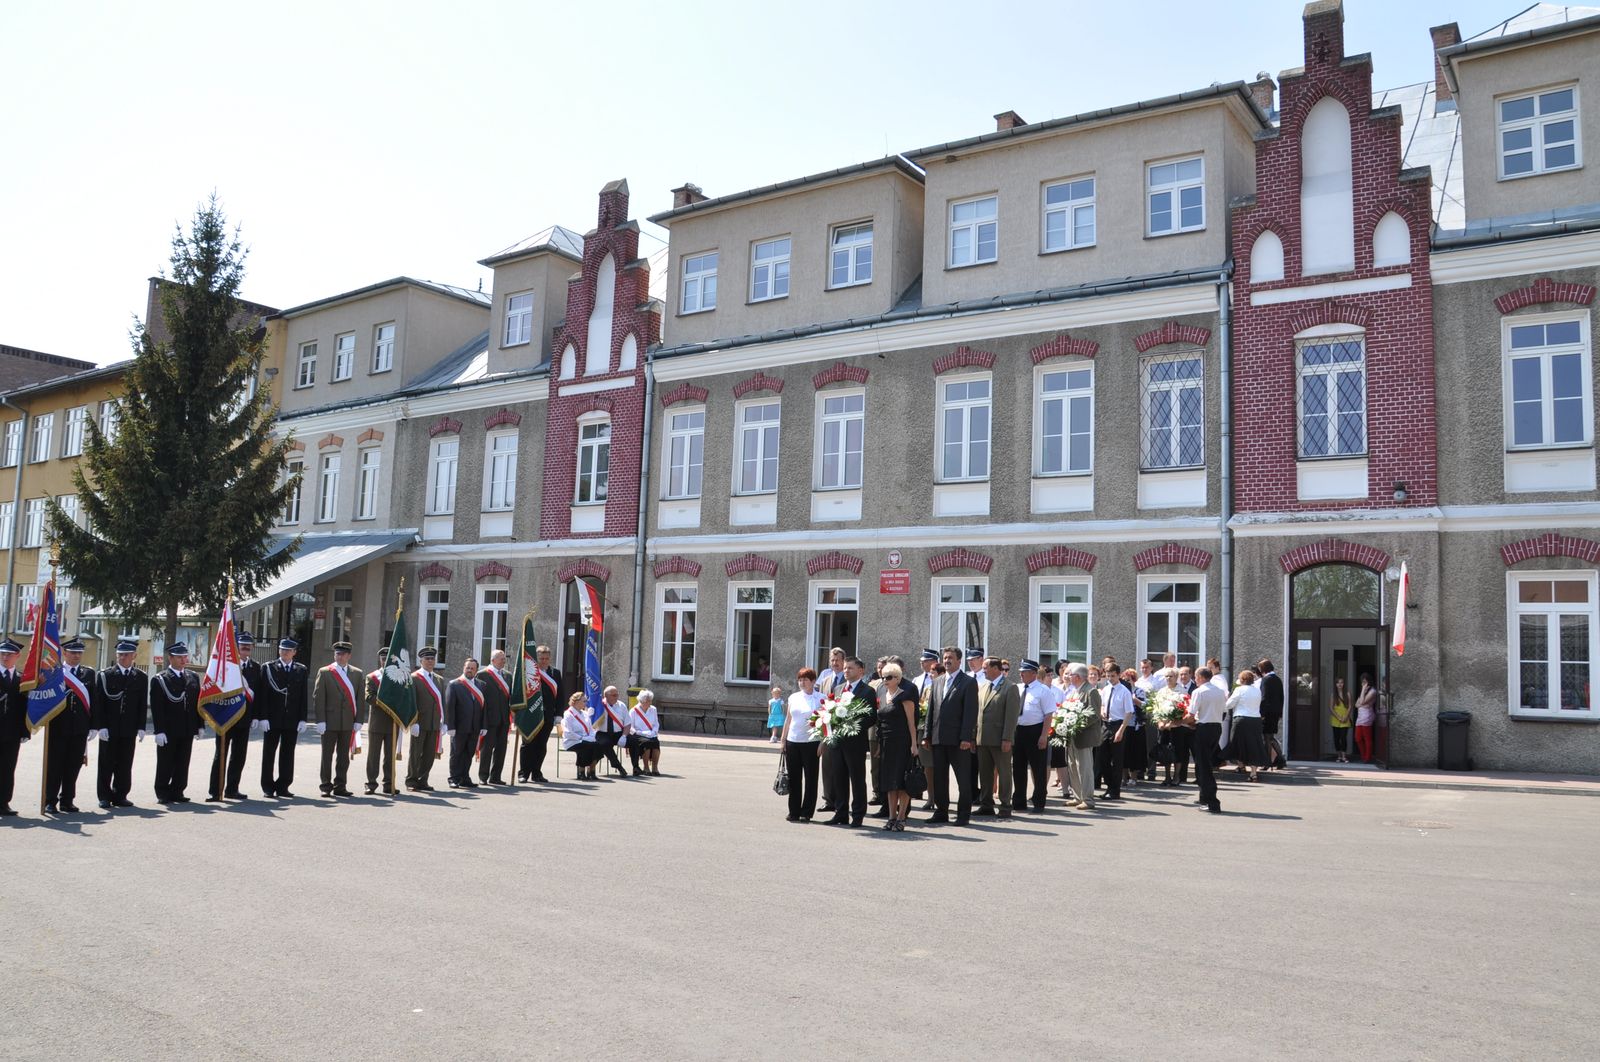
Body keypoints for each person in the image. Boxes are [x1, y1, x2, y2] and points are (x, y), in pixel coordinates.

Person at [922, 646, 978, 825]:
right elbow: (931, 710)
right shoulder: (937, 681)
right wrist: (927, 735)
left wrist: (966, 738)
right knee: (939, 778)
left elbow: (970, 713)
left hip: (958, 740)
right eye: (945, 658)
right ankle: (941, 812)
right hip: (938, 738)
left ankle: (963, 815)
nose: (947, 661)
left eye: (950, 658)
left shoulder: (968, 682)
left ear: (959, 661)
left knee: (963, 779)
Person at [92, 639, 148, 809]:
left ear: (134, 656)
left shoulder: (140, 677)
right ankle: (104, 796)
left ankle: (120, 795)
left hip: (128, 727)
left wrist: (141, 726)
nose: (122, 658)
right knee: (106, 763)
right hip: (109, 727)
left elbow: (142, 704)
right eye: (120, 655)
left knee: (125, 763)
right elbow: (99, 703)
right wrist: (101, 726)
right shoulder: (105, 675)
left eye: (126, 655)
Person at [43, 637, 95, 814]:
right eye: (73, 652)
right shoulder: (54, 672)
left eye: (79, 652)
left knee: (73, 766)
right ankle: (50, 800)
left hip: (79, 728)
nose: (76, 656)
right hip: (58, 728)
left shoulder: (88, 674)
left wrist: (94, 725)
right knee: (54, 766)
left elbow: (94, 700)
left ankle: (67, 800)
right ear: (64, 653)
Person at [825, 656, 877, 827]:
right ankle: (841, 813)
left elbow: (871, 717)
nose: (846, 671)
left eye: (850, 668)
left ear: (861, 671)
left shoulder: (867, 691)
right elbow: (830, 711)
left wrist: (852, 724)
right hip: (837, 742)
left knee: (857, 779)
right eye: (845, 668)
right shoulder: (838, 688)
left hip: (855, 743)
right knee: (838, 778)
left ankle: (858, 815)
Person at [208, 630, 259, 801]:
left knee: (239, 756)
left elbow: (259, 694)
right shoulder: (226, 666)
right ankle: (216, 791)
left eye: (248, 646)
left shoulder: (255, 667)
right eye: (242, 645)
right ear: (236, 647)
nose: (245, 648)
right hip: (225, 717)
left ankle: (232, 789)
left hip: (244, 718)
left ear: (252, 647)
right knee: (220, 754)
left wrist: (256, 716)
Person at [150, 643, 201, 804]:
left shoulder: (193, 676)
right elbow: (157, 707)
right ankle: (162, 792)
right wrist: (159, 730)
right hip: (169, 728)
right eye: (179, 657)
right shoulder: (161, 679)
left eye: (185, 656)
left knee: (183, 761)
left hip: (187, 727)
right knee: (166, 761)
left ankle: (178, 790)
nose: (183, 660)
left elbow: (197, 703)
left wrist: (200, 725)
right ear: (170, 658)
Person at [311, 641, 364, 798]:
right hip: (329, 721)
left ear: (349, 656)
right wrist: (320, 720)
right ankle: (325, 786)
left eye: (343, 654)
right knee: (327, 755)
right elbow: (318, 698)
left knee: (343, 756)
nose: (340, 657)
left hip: (347, 721)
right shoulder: (325, 672)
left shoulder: (357, 673)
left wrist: (359, 720)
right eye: (337, 654)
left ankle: (340, 785)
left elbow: (360, 699)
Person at [874, 663, 919, 831]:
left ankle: (901, 818)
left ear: (898, 679)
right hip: (887, 743)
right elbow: (880, 722)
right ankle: (891, 817)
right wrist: (879, 746)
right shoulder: (882, 693)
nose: (885, 680)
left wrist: (914, 744)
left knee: (901, 781)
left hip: (903, 742)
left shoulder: (905, 695)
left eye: (889, 677)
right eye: (883, 677)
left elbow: (911, 723)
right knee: (889, 781)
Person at [974, 657, 1020, 818]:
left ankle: (1005, 805)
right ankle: (986, 804)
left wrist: (1007, 738)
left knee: (1004, 773)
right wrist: (973, 737)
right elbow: (978, 714)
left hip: (1000, 739)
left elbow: (1011, 716)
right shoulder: (983, 686)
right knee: (985, 773)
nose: (983, 671)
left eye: (985, 667)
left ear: (995, 668)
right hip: (982, 739)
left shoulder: (1010, 687)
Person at [1011, 659, 1054, 812]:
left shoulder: (1043, 690)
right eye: (1020, 672)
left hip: (1035, 731)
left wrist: (1043, 736)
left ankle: (1039, 801)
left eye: (1024, 672)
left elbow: (1048, 715)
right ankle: (1019, 801)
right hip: (1018, 731)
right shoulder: (1017, 688)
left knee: (1038, 768)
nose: (1021, 674)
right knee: (1018, 767)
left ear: (1034, 673)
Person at [781, 668, 824, 822]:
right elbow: (788, 719)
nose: (802, 683)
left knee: (811, 778)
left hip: (812, 742)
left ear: (813, 681)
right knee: (794, 778)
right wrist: (783, 740)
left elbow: (826, 723)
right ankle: (793, 811)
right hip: (793, 741)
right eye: (800, 680)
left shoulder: (821, 698)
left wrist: (822, 742)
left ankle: (806, 812)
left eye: (805, 680)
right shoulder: (793, 697)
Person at [1187, 667, 1226, 814]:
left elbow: (1191, 714)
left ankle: (1212, 802)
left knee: (1204, 766)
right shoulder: (1219, 691)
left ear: (1202, 677)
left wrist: (1176, 722)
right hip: (1216, 728)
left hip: (1203, 728)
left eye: (1196, 677)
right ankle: (1204, 798)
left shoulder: (1199, 692)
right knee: (1204, 763)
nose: (1195, 680)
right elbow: (1223, 712)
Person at [519, 646, 561, 783]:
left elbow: (560, 695)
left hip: (547, 715)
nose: (544, 661)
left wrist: (558, 715)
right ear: (536, 659)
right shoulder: (529, 672)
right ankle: (523, 773)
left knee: (541, 745)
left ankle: (536, 773)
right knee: (528, 744)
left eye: (546, 658)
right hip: (531, 714)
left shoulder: (555, 673)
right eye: (541, 658)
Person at [1064, 664, 1102, 811]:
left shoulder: (1091, 691)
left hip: (1084, 736)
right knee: (1073, 766)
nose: (1068, 677)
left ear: (1078, 677)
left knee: (1084, 768)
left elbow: (1094, 714)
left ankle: (1088, 799)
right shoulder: (1074, 691)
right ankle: (1078, 797)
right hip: (1072, 736)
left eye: (1071, 674)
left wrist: (1076, 724)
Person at [407, 647, 444, 792]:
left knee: (429, 755)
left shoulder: (439, 679)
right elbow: (411, 702)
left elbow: (442, 702)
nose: (430, 661)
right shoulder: (414, 678)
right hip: (420, 722)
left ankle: (423, 780)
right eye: (427, 659)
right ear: (421, 661)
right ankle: (411, 780)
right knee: (415, 754)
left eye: (432, 659)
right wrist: (413, 722)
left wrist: (444, 721)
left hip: (434, 722)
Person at [0, 640, 30, 816]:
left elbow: (24, 707)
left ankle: (4, 802)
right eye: (2, 654)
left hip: (12, 732)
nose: (5, 657)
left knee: (8, 768)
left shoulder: (21, 679)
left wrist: (25, 731)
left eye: (9, 654)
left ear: (17, 656)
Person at [816, 646, 847, 813]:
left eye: (838, 660)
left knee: (840, 768)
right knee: (827, 766)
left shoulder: (847, 680)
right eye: (832, 660)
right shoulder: (825, 680)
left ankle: (841, 802)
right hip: (827, 729)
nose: (835, 663)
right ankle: (828, 800)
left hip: (843, 729)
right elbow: (822, 705)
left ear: (844, 662)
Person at [1097, 666, 1134, 800]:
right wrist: (1102, 711)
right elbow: (1102, 704)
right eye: (1108, 675)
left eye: (1113, 676)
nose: (1110, 678)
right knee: (1102, 758)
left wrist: (1121, 730)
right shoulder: (1106, 689)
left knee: (1117, 760)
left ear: (1118, 675)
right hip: (1106, 724)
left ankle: (1115, 790)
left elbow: (1129, 712)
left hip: (1118, 724)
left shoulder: (1124, 691)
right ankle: (1109, 786)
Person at [364, 647, 398, 796]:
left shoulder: (398, 677)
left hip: (393, 722)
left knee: (390, 756)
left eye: (388, 659)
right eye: (383, 659)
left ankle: (389, 784)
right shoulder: (372, 677)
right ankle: (371, 784)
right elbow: (369, 697)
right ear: (380, 660)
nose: (385, 661)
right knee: (374, 756)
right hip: (377, 722)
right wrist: (386, 701)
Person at [445, 657, 483, 789]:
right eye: (467, 668)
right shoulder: (454, 684)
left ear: (476, 670)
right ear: (463, 668)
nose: (469, 670)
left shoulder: (480, 685)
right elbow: (449, 707)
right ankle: (453, 778)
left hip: (474, 726)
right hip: (459, 727)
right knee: (457, 753)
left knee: (469, 753)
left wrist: (483, 725)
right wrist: (450, 726)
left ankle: (464, 778)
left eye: (472, 668)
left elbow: (484, 708)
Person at [476, 649, 512, 785]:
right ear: (492, 660)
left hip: (504, 718)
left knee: (501, 749)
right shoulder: (482, 674)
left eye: (504, 658)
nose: (504, 661)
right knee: (487, 749)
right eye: (501, 658)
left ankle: (496, 776)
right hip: (489, 718)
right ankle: (483, 776)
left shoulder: (508, 676)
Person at [1155, 667, 1193, 788]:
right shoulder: (1161, 692)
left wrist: (1173, 722)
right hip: (1164, 727)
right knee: (1165, 751)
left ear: (1176, 677)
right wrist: (1160, 722)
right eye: (1166, 676)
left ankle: (1176, 776)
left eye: (1170, 676)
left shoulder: (1182, 692)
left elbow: (1185, 709)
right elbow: (1156, 708)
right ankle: (1167, 776)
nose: (1168, 678)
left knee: (1178, 752)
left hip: (1177, 727)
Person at [1225, 669, 1266, 782]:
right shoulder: (1257, 690)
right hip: (1255, 720)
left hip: (1241, 719)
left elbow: (1229, 705)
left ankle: (1241, 765)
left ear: (1242, 680)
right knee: (1254, 745)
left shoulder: (1239, 689)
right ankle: (1253, 773)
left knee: (1237, 743)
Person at [561, 692, 604, 780]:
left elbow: (591, 729)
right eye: (584, 701)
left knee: (600, 745)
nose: (586, 703)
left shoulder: (585, 714)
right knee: (586, 746)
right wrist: (582, 738)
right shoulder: (568, 714)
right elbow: (568, 732)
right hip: (572, 741)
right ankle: (581, 772)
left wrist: (592, 737)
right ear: (576, 702)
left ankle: (591, 770)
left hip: (586, 739)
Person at [595, 686, 631, 776]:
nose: (616, 697)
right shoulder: (599, 705)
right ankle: (618, 766)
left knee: (634, 741)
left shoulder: (621, 705)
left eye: (617, 695)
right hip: (603, 733)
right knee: (605, 744)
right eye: (613, 695)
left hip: (619, 733)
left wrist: (624, 736)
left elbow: (627, 723)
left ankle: (636, 767)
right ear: (606, 696)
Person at [1258, 658, 1287, 770]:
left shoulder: (1266, 680)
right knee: (1271, 737)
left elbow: (1264, 698)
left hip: (1267, 713)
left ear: (1262, 669)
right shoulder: (1277, 679)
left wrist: (1262, 713)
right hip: (1275, 713)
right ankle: (1281, 760)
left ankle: (1267, 762)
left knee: (1266, 738)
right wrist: (1280, 712)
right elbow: (1281, 697)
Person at [628, 689, 661, 776]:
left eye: (650, 700)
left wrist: (654, 732)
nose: (650, 703)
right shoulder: (633, 711)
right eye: (647, 701)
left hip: (651, 734)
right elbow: (630, 727)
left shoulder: (653, 709)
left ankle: (655, 767)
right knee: (647, 743)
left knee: (656, 743)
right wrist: (640, 733)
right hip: (639, 735)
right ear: (641, 701)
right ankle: (646, 767)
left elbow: (656, 723)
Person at [1354, 672, 1378, 763]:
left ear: (1369, 681)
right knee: (1358, 738)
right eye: (1362, 682)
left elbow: (1361, 702)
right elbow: (1356, 705)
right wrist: (1363, 692)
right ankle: (1363, 755)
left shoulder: (1373, 691)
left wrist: (1363, 690)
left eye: (1365, 682)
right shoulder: (1363, 691)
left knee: (1367, 738)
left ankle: (1367, 758)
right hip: (1360, 717)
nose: (1363, 684)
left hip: (1367, 716)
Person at [1330, 676, 1354, 763]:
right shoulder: (1333, 694)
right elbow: (1331, 708)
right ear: (1335, 684)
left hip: (1345, 718)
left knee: (1343, 738)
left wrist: (1346, 717)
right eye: (1338, 682)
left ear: (1344, 684)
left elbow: (1350, 706)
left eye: (1341, 682)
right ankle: (1339, 756)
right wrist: (1338, 717)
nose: (1340, 684)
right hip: (1336, 719)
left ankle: (1344, 756)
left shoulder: (1347, 693)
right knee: (1336, 738)